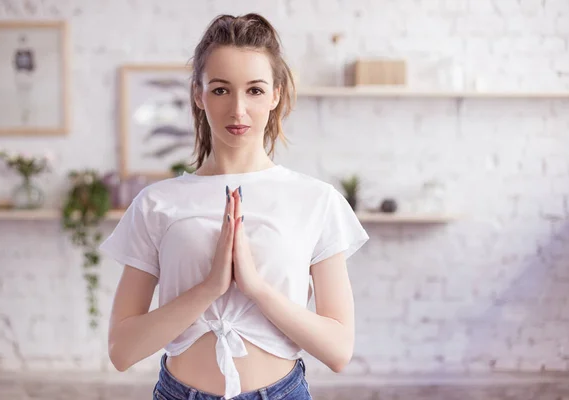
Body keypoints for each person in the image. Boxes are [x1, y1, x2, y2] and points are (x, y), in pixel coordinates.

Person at [99, 13, 369, 400]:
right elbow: (122, 351)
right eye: (221, 90)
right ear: (198, 94)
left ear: (276, 94)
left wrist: (256, 287)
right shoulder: (157, 203)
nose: (238, 110)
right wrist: (210, 287)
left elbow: (339, 350)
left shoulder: (316, 200)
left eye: (255, 91)